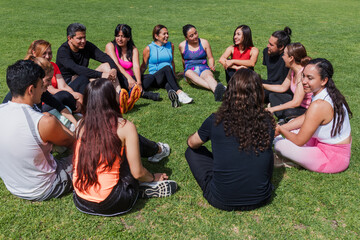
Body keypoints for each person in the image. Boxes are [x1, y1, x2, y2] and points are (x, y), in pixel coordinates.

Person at [72, 78, 177, 216]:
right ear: (110, 98)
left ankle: (156, 151)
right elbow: (137, 172)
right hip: (111, 201)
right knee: (129, 152)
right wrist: (153, 176)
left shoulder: (80, 125)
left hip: (80, 199)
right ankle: (143, 183)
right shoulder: (123, 126)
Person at [185, 68, 275, 211]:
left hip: (221, 199)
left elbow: (192, 143)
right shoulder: (268, 120)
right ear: (258, 93)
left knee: (191, 152)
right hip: (261, 197)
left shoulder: (215, 120)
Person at [0, 60, 75, 201]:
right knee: (88, 156)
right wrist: (54, 120)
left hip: (13, 185)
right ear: (31, 89)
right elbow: (73, 141)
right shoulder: (42, 122)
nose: (44, 90)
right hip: (43, 187)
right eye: (42, 86)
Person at [274, 58, 352, 173]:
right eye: (303, 76)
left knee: (280, 145)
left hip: (331, 158)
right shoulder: (324, 93)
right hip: (322, 145)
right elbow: (305, 117)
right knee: (291, 123)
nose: (304, 81)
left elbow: (300, 140)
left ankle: (291, 157)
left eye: (310, 78)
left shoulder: (319, 105)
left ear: (323, 80)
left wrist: (280, 129)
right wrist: (282, 128)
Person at [2, 57, 78, 128]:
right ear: (38, 78)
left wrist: (76, 123)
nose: (50, 83)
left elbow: (58, 105)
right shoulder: (19, 97)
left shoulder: (41, 92)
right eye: (48, 80)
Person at [140, 24, 193, 108]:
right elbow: (143, 66)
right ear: (156, 36)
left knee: (169, 83)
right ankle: (180, 92)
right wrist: (138, 80)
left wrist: (174, 74)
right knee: (167, 68)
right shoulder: (149, 48)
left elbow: (172, 62)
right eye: (164, 34)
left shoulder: (170, 45)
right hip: (156, 78)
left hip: (167, 77)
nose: (167, 36)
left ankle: (174, 97)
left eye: (167, 33)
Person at [105, 24, 160, 101]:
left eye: (123, 36)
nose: (119, 39)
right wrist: (129, 78)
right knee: (120, 79)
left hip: (131, 79)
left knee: (150, 77)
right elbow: (116, 64)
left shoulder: (133, 49)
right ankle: (143, 94)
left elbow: (136, 66)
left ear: (128, 38)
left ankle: (132, 91)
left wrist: (139, 82)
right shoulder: (110, 46)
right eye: (117, 36)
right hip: (118, 77)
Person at [263, 43, 312, 123]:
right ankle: (284, 119)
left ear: (291, 58)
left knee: (288, 112)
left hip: (307, 108)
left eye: (284, 54)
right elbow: (282, 87)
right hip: (298, 104)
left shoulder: (302, 75)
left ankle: (286, 118)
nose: (282, 57)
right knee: (273, 95)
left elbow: (296, 102)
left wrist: (272, 109)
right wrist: (261, 85)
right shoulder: (292, 70)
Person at [179, 24, 226, 102]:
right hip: (190, 70)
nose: (195, 36)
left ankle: (218, 93)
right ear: (186, 38)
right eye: (191, 36)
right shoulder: (182, 45)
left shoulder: (204, 42)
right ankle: (219, 88)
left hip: (203, 68)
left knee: (208, 77)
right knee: (189, 74)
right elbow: (183, 59)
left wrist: (211, 65)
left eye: (196, 33)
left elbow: (210, 57)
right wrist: (184, 71)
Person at [262, 27, 292, 103]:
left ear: (281, 47)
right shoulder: (266, 52)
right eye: (269, 42)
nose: (268, 46)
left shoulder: (287, 59)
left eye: (271, 45)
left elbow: (284, 86)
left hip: (282, 88)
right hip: (270, 83)